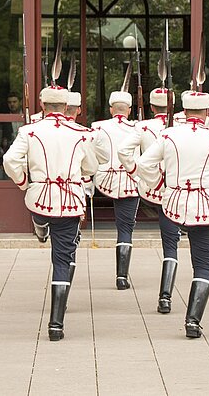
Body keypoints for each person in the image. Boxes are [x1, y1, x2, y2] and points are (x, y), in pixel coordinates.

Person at [135, 91, 209, 338]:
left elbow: (144, 164)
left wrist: (157, 184)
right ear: (207, 112)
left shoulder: (168, 135)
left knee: (170, 250)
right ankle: (192, 322)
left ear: (183, 111)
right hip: (206, 207)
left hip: (173, 204)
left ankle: (167, 297)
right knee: (203, 266)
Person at [3, 86, 98, 341]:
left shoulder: (29, 131)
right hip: (69, 200)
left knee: (40, 215)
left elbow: (9, 160)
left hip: (40, 198)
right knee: (62, 261)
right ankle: (56, 325)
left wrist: (24, 181)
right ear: (66, 107)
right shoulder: (81, 133)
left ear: (43, 106)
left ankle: (40, 223)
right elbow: (91, 166)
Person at [118, 87, 181, 313]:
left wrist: (138, 173)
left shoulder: (142, 126)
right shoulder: (183, 126)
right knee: (174, 245)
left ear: (152, 107)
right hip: (181, 191)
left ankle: (165, 297)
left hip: (155, 191)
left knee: (169, 243)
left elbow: (124, 151)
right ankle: (165, 296)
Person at [92, 89, 139, 290]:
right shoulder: (138, 128)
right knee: (125, 229)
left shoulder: (97, 127)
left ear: (111, 109)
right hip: (130, 180)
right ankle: (121, 277)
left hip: (104, 180)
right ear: (129, 110)